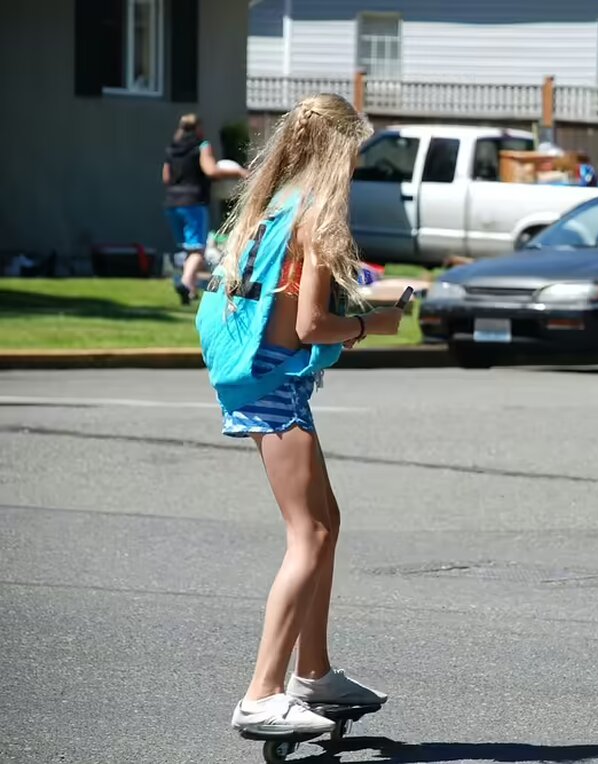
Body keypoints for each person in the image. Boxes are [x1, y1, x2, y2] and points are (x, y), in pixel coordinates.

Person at [195, 94, 403, 737]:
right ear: (338, 153)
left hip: (262, 377)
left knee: (326, 522)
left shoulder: (272, 205)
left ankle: (313, 670)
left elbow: (290, 306)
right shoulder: (317, 215)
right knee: (308, 534)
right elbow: (313, 324)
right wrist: (375, 322)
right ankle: (261, 693)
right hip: (273, 387)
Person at [163, 114, 247, 305]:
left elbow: (166, 178)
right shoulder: (202, 146)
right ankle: (184, 283)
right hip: (193, 203)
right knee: (197, 250)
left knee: (187, 249)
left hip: (172, 204)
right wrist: (239, 172)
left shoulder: (172, 149)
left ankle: (191, 291)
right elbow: (211, 170)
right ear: (199, 128)